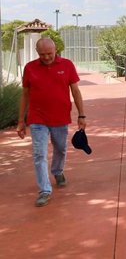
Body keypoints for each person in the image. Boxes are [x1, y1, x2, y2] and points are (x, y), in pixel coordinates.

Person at [16, 37, 86, 207]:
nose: (46, 57)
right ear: (36, 52)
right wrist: (20, 121)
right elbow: (25, 94)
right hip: (37, 118)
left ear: (55, 50)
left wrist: (82, 115)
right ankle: (45, 190)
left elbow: (75, 91)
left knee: (60, 149)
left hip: (60, 117)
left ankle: (57, 171)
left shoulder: (67, 65)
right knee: (39, 153)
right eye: (42, 54)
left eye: (49, 53)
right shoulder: (30, 68)